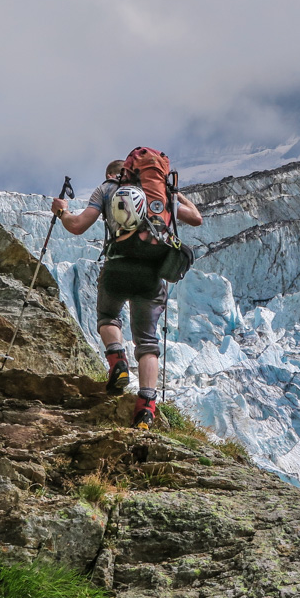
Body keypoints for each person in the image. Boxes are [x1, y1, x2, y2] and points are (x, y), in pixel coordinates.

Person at [52, 156, 202, 429]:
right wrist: (175, 193)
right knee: (147, 341)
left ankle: (118, 362)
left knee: (108, 316)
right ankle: (145, 409)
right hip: (153, 274)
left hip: (118, 267)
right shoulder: (157, 193)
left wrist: (62, 210)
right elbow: (196, 218)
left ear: (112, 174)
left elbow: (76, 226)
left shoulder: (106, 190)